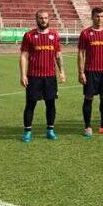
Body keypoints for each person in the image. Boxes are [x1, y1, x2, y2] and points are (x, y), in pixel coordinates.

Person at [19, 10, 65, 142]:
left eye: (45, 18)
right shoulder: (29, 35)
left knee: (51, 104)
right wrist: (23, 75)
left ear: (48, 19)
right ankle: (27, 131)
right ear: (36, 19)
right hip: (34, 76)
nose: (43, 20)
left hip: (50, 77)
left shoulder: (54, 35)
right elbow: (24, 55)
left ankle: (50, 130)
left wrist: (62, 71)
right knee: (30, 104)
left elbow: (58, 55)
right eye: (40, 18)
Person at [77, 7, 103, 137]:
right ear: (92, 17)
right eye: (97, 16)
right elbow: (81, 53)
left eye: (101, 16)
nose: (99, 19)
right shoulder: (85, 33)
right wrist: (81, 72)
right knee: (89, 98)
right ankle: (87, 127)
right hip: (90, 71)